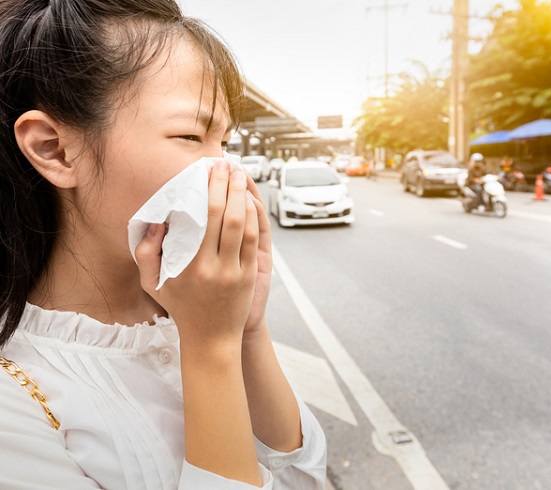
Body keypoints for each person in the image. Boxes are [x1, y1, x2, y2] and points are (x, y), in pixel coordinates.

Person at [0, 1, 326, 489]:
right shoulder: (14, 400)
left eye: (225, 144)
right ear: (55, 149)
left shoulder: (193, 308)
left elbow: (304, 477)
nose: (225, 172)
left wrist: (246, 331)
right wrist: (211, 346)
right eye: (190, 136)